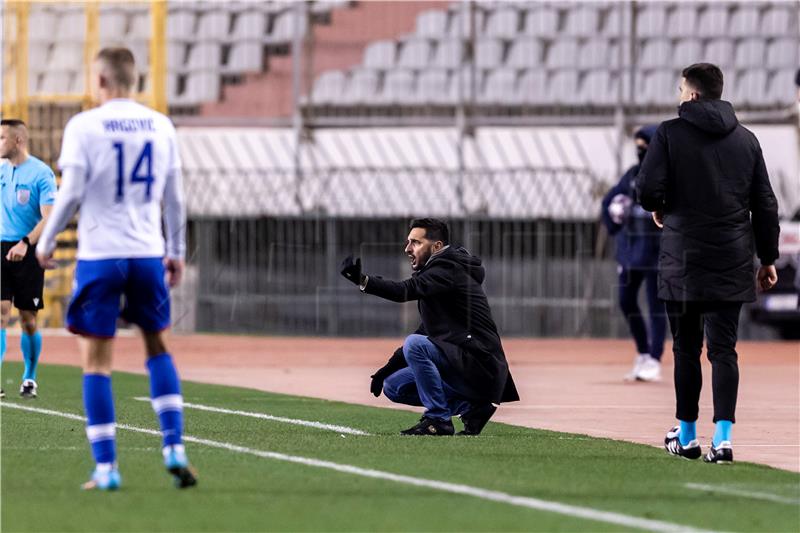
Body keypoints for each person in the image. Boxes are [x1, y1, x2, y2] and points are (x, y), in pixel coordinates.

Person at [36, 47, 196, 490]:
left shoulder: (84, 126)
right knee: (158, 347)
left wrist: (45, 242)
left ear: (101, 80)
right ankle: (174, 446)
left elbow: (69, 195)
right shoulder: (161, 125)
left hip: (100, 256)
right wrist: (176, 251)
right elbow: (176, 198)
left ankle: (106, 468)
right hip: (147, 252)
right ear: (136, 80)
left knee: (96, 362)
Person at [636, 63, 779, 464]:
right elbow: (765, 204)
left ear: (693, 94)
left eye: (681, 88)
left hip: (683, 257)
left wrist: (660, 207)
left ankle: (686, 436)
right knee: (724, 351)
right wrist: (767, 258)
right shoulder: (747, 140)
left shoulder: (669, 133)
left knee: (685, 349)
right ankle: (724, 439)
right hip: (732, 257)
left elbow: (647, 189)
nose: (679, 94)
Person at [340, 218, 519, 436]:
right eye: (408, 242)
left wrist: (364, 281)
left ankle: (438, 419)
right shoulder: (438, 278)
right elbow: (425, 331)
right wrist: (386, 370)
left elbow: (403, 291)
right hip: (464, 364)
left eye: (415, 242)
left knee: (415, 345)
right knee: (393, 385)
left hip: (479, 366)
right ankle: (471, 408)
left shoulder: (447, 269)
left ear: (436, 247)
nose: (407, 248)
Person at [601, 125, 666, 382]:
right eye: (637, 146)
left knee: (656, 306)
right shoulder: (631, 175)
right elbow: (609, 203)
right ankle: (642, 351)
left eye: (645, 145)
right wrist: (615, 222)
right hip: (631, 252)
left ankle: (654, 357)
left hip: (657, 252)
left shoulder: (666, 174)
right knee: (626, 300)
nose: (641, 151)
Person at [1, 119, 57, 399]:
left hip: (28, 250)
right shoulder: (0, 170)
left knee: (28, 320)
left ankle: (29, 377)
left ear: (17, 141)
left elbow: (49, 219)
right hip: (0, 247)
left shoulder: (41, 174)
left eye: (2, 138)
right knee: (0, 312)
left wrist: (25, 243)